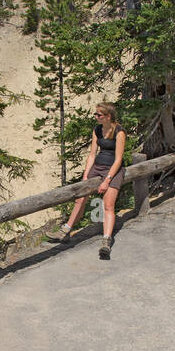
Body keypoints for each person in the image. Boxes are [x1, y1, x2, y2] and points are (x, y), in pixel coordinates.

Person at [62, 101, 129, 260]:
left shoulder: (119, 132)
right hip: (98, 166)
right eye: (96, 114)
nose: (96, 116)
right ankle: (66, 229)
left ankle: (106, 240)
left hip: (113, 169)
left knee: (108, 205)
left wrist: (107, 180)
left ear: (108, 116)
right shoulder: (97, 129)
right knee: (80, 198)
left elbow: (119, 159)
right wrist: (86, 175)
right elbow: (92, 153)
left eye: (99, 114)